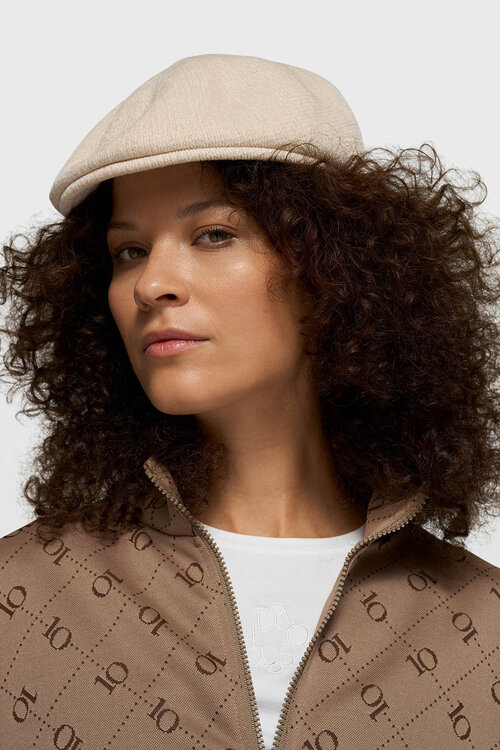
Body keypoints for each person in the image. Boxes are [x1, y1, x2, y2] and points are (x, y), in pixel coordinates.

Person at [0, 53, 499, 750]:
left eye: (214, 234)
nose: (151, 284)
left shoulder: (483, 629)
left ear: (335, 268)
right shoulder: (20, 599)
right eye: (129, 251)